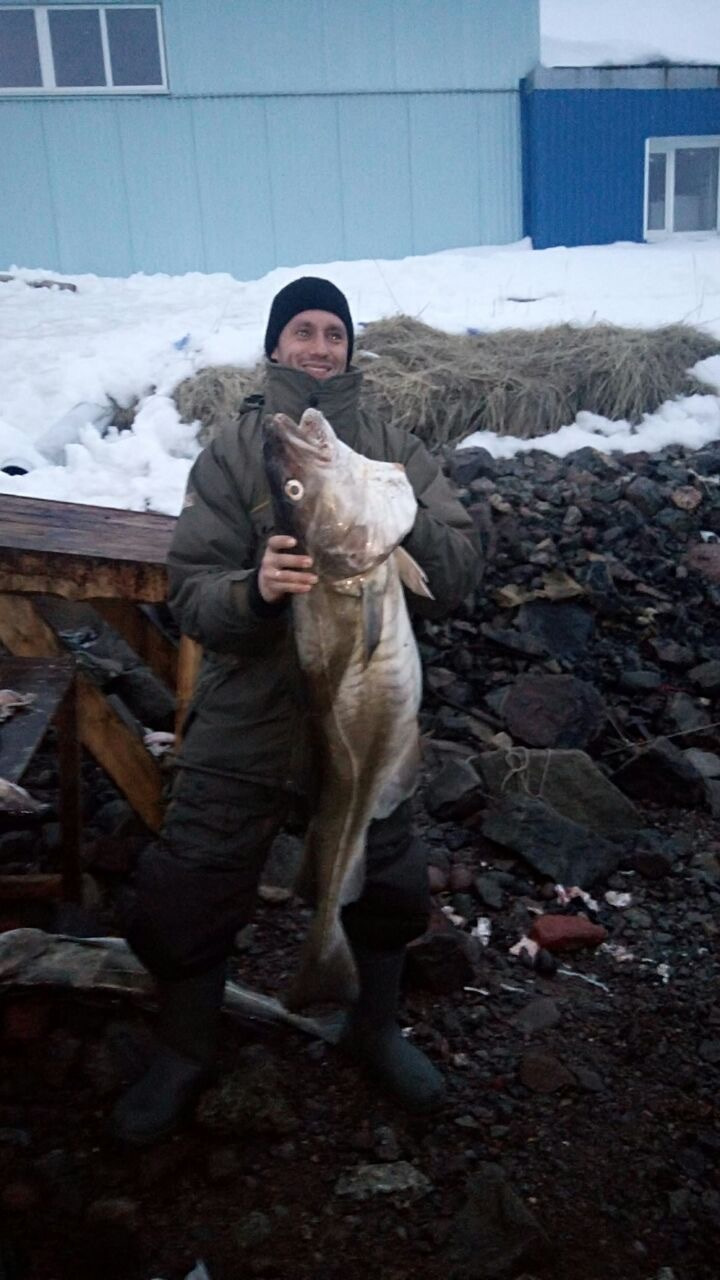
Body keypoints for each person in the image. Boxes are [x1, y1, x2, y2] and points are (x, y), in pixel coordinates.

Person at [113, 277, 481, 1145]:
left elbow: (460, 572)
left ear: (349, 351)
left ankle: (374, 1027)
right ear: (276, 347)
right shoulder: (235, 452)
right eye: (302, 332)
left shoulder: (392, 447)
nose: (319, 347)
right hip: (252, 705)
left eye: (334, 334)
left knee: (386, 873)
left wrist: (400, 524)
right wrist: (258, 592)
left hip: (363, 699)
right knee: (191, 875)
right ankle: (184, 1049)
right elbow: (192, 596)